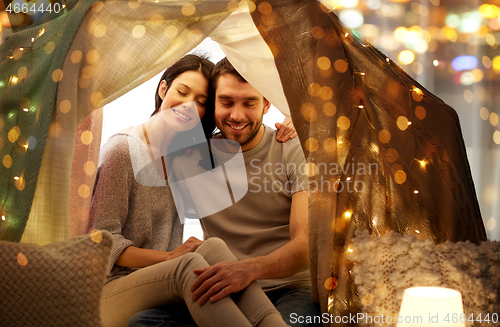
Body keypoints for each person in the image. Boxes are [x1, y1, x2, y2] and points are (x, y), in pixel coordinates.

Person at [88, 54, 292, 327]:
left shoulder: (185, 156)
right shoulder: (122, 150)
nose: (188, 105)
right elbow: (102, 241)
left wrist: (296, 124)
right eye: (182, 92)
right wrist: (170, 257)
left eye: (200, 102)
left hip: (162, 280)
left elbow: (243, 131)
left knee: (213, 246)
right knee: (189, 267)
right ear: (163, 89)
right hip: (111, 288)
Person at [128, 58, 321, 327]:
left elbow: (304, 246)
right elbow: (155, 136)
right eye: (226, 102)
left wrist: (248, 269)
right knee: (145, 323)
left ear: (267, 104)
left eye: (249, 103)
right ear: (212, 105)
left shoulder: (292, 149)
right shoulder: (191, 157)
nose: (237, 115)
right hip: (224, 286)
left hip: (290, 289)